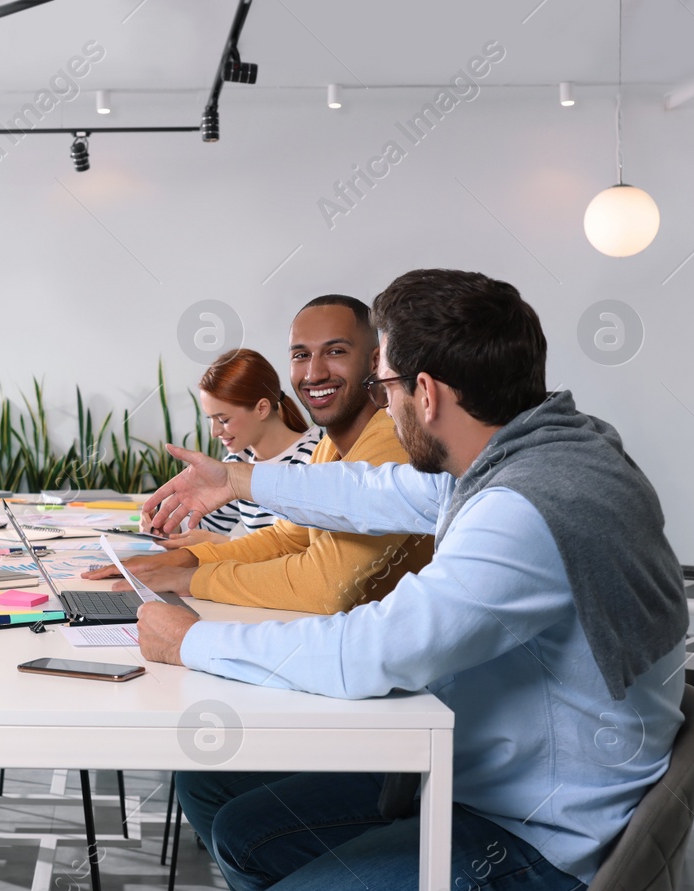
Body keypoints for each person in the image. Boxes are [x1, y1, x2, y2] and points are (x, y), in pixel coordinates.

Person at [135, 269, 688, 891]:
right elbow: (383, 491)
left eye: (384, 380)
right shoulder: (550, 453)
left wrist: (189, 641)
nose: (381, 400)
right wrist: (240, 477)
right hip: (509, 778)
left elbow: (372, 652)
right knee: (248, 827)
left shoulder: (524, 512)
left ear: (425, 392)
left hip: (538, 836)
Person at [83, 296, 434, 849]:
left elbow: (329, 586)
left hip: (382, 707)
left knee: (235, 815)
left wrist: (192, 580)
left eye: (335, 352)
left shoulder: (386, 442)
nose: (314, 372)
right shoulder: (333, 448)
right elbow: (289, 536)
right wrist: (180, 561)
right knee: (202, 784)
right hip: (339, 681)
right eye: (301, 354)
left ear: (374, 361)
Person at [173, 348, 321, 548]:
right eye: (211, 419)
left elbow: (303, 552)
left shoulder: (314, 460)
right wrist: (169, 527)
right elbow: (205, 528)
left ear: (262, 408)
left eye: (223, 420)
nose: (214, 432)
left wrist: (224, 543)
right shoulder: (238, 461)